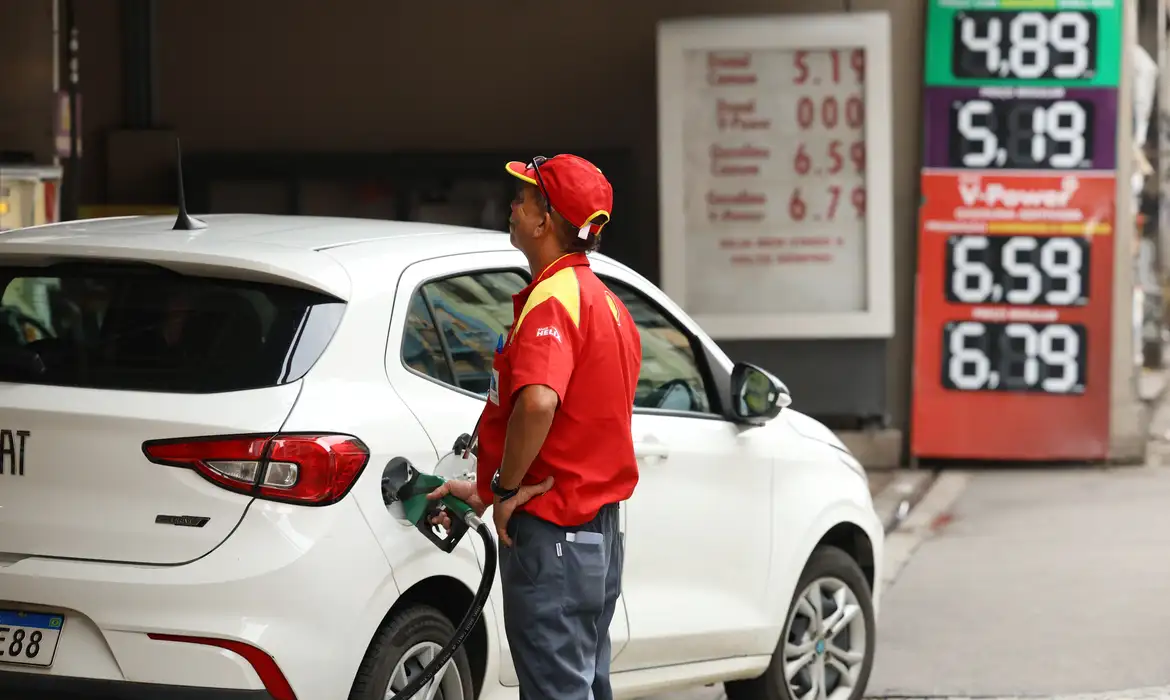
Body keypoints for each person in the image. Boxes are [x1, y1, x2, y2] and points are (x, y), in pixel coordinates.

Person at [427, 154, 642, 700]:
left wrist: (503, 487)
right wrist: (484, 491)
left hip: (556, 540)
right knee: (583, 687)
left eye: (524, 198)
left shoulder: (552, 303)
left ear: (546, 221)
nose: (513, 207)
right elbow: (576, 429)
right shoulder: (608, 305)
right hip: (595, 536)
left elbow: (541, 403)